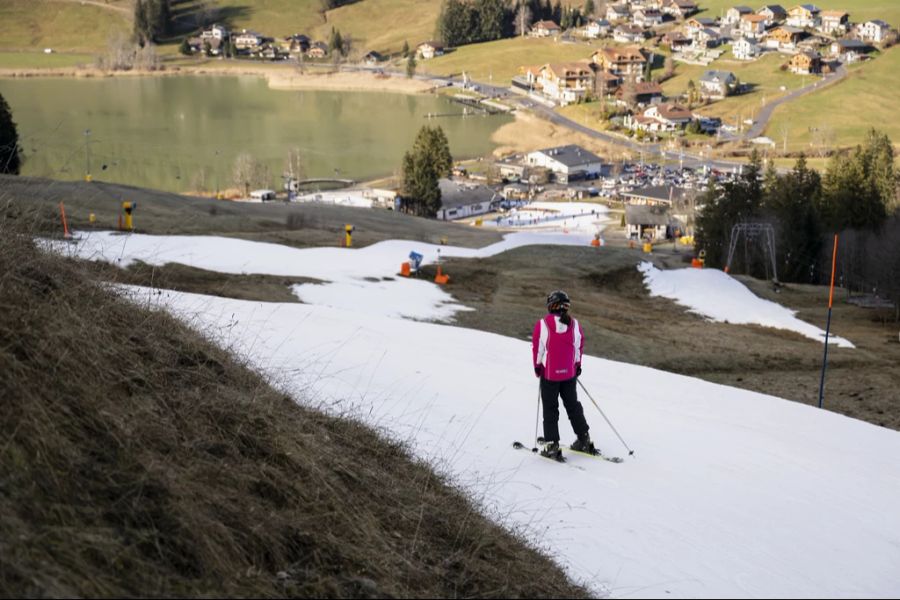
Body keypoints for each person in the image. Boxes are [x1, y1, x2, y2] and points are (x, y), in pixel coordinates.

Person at [531, 290, 594, 460]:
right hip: (569, 375)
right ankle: (584, 439)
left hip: (550, 375)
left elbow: (538, 349)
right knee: (573, 406)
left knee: (551, 409)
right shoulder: (575, 324)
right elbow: (578, 346)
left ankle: (552, 445)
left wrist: (537, 367)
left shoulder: (543, 324)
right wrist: (577, 366)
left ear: (551, 305)